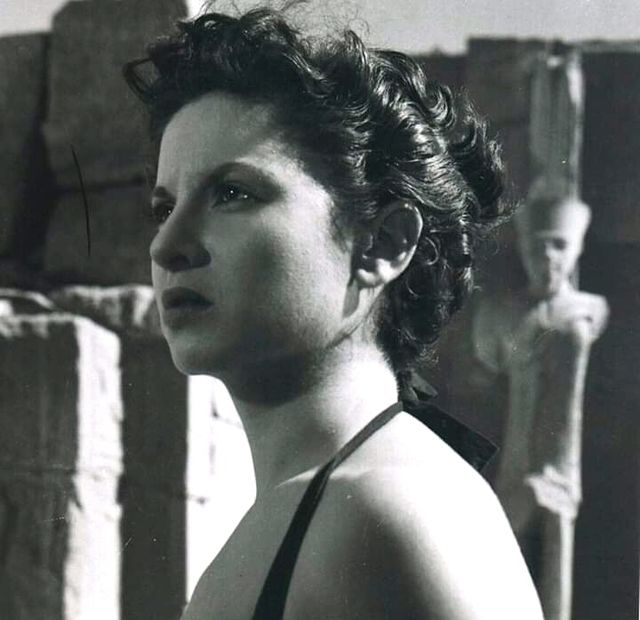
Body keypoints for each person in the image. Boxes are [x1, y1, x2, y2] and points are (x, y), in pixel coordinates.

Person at [124, 8, 543, 619]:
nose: (167, 245)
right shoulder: (312, 507)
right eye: (164, 208)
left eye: (233, 193)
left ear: (382, 244)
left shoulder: (395, 507)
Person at [473, 194, 608, 620]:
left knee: (554, 570)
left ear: (576, 249)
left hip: (562, 468)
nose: (548, 257)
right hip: (512, 461)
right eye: (538, 247)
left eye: (559, 245)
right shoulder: (502, 314)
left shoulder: (587, 311)